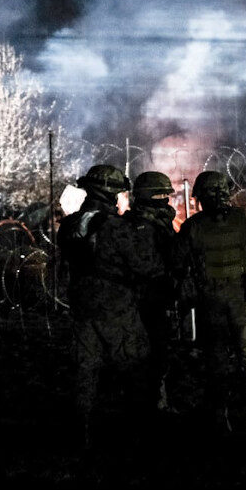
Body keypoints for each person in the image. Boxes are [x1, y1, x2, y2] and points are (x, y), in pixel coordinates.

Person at [58, 164, 148, 445]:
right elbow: (145, 266)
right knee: (131, 366)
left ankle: (81, 431)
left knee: (85, 369)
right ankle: (132, 433)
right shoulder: (118, 227)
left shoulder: (70, 224)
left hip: (82, 305)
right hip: (117, 306)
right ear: (111, 193)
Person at [179, 170, 246, 432]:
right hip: (241, 301)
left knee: (216, 361)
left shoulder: (192, 226)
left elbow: (178, 259)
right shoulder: (244, 218)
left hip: (210, 303)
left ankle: (220, 415)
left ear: (200, 197)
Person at [103, 171, 185, 413]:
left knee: (155, 354)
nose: (166, 201)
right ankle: (144, 406)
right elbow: (146, 265)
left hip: (152, 299)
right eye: (161, 196)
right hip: (142, 300)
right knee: (145, 355)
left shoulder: (155, 223)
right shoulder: (141, 226)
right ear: (150, 197)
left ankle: (150, 401)